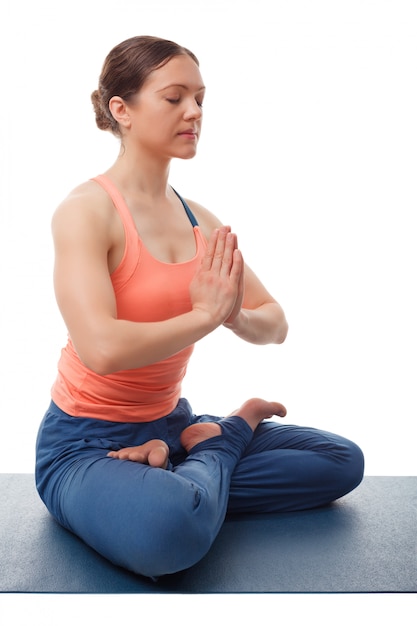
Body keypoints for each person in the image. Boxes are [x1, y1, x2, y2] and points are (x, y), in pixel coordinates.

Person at [35, 35, 364, 580]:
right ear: (122, 110)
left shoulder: (200, 221)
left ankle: (181, 461)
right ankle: (220, 444)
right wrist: (206, 316)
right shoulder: (85, 212)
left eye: (201, 99)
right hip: (85, 445)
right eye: (174, 98)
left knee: (338, 463)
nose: (194, 112)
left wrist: (232, 312)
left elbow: (275, 323)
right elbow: (102, 348)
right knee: (170, 534)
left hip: (170, 424)